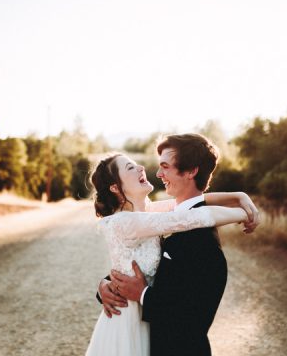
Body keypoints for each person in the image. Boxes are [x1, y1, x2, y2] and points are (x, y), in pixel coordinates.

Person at [88, 134, 259, 356]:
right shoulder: (137, 220)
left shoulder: (202, 243)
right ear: (114, 187)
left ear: (191, 171)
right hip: (128, 324)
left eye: (165, 167)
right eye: (130, 168)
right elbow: (187, 213)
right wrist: (243, 211)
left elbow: (191, 321)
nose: (156, 173)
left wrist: (240, 198)